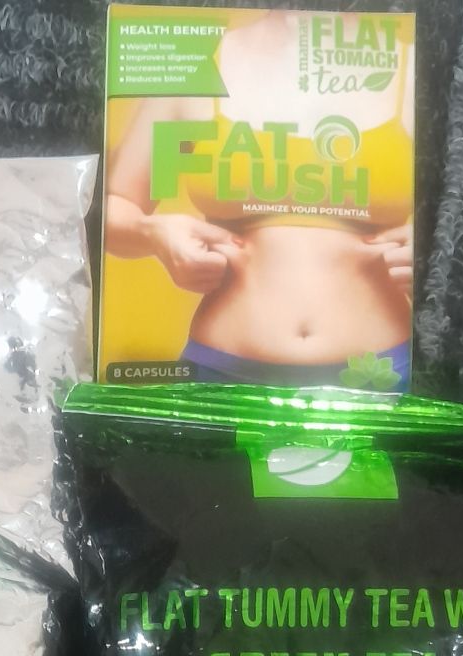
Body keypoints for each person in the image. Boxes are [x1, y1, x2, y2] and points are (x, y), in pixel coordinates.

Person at [104, 9, 414, 387]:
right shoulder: (194, 65)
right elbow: (112, 210)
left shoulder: (415, 67)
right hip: (221, 371)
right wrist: (153, 232)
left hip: (381, 372)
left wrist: (436, 255)